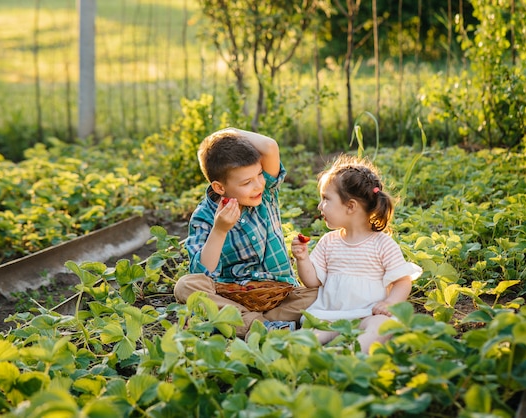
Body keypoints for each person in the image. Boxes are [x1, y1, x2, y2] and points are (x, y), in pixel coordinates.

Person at [174, 127, 318, 339]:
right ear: (219, 187)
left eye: (259, 174)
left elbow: (269, 147)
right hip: (234, 299)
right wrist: (220, 229)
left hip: (280, 297)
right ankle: (261, 325)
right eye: (246, 182)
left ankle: (245, 324)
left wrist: (228, 132)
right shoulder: (204, 216)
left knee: (322, 292)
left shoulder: (266, 195)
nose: (258, 185)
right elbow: (201, 272)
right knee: (186, 286)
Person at [291, 153, 422, 353]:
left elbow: (402, 281)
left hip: (366, 315)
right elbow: (312, 281)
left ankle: (353, 353)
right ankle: (315, 351)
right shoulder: (329, 242)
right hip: (330, 316)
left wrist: (389, 303)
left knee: (381, 326)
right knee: (308, 336)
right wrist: (302, 259)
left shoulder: (382, 244)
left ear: (350, 206)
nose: (320, 206)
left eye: (326, 199)